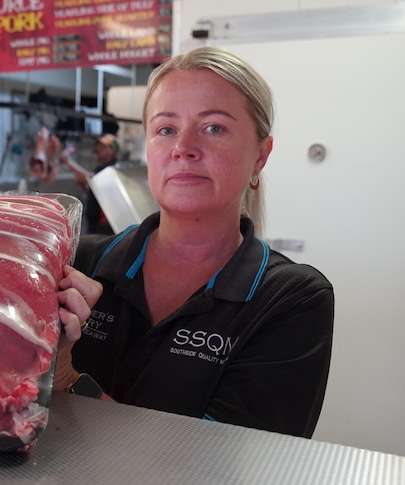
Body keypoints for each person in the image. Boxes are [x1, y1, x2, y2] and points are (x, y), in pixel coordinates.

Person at [52, 46, 335, 439]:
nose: (183, 147)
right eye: (166, 129)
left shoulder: (292, 299)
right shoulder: (76, 260)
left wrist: (66, 375)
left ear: (260, 155)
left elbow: (225, 467)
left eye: (214, 127)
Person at [60, 133, 121, 235]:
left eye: (103, 147)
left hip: (104, 226)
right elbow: (97, 192)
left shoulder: (111, 169)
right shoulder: (100, 168)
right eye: (99, 146)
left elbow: (90, 179)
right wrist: (84, 187)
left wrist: (68, 162)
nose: (98, 149)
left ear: (112, 151)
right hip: (94, 224)